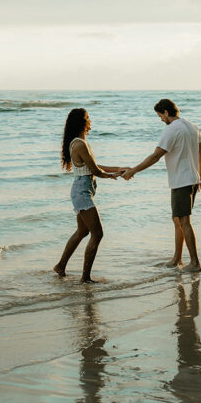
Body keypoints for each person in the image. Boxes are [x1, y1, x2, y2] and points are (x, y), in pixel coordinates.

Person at [122, 98, 201, 272]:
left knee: (184, 221)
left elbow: (155, 156)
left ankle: (195, 263)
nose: (161, 119)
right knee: (178, 220)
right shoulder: (192, 126)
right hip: (192, 179)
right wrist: (199, 175)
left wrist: (133, 170)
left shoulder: (172, 129)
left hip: (181, 181)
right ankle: (177, 259)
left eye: (160, 116)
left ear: (166, 112)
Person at [54, 107, 124, 283]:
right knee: (97, 233)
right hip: (82, 192)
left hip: (83, 189)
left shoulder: (80, 143)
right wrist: (112, 175)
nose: (90, 121)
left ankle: (61, 266)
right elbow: (95, 170)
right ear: (83, 122)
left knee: (82, 231)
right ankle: (85, 278)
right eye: (88, 118)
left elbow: (94, 166)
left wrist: (117, 169)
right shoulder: (79, 144)